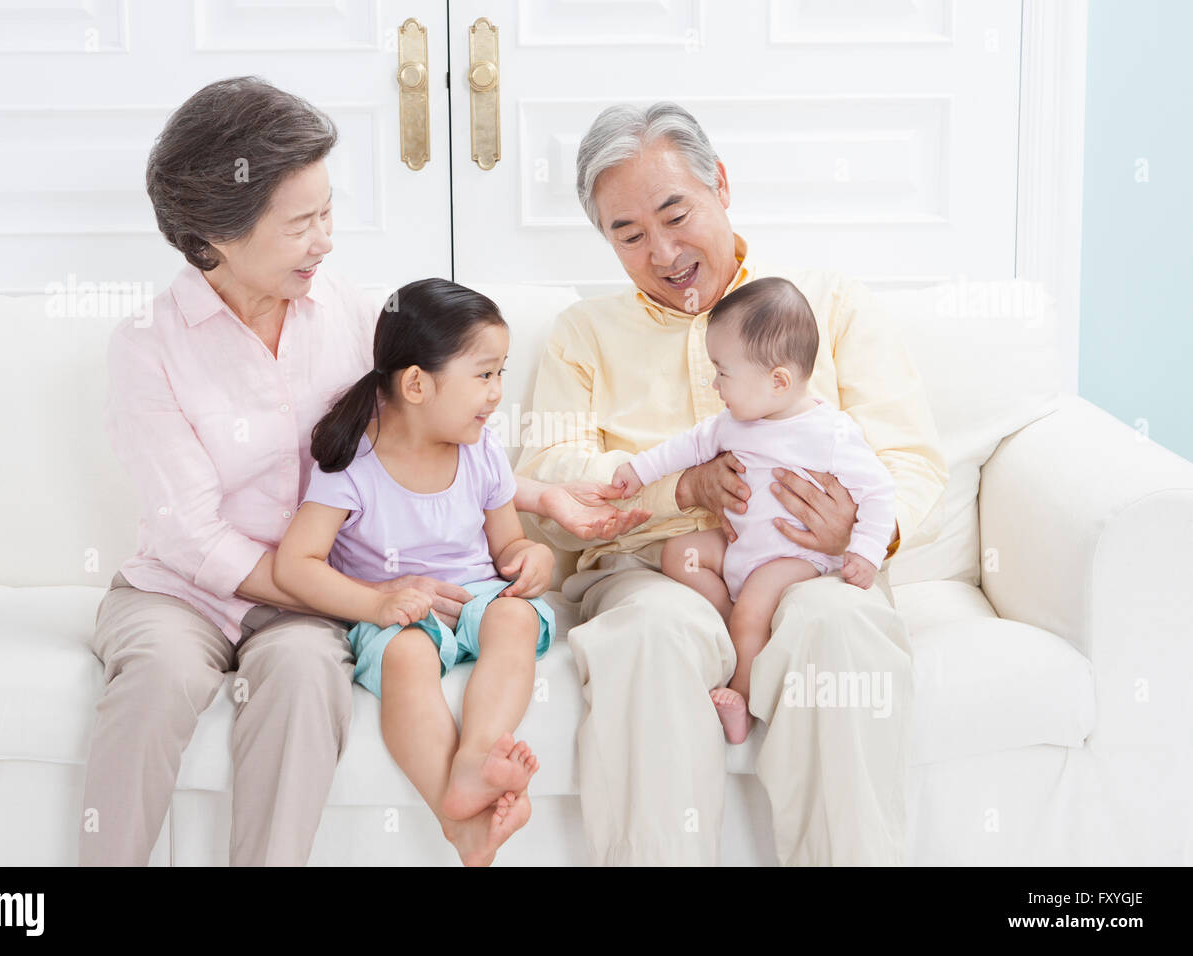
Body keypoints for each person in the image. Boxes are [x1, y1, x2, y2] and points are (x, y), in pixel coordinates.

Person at [83, 76, 644, 866]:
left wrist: (540, 496)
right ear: (219, 234)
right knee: (156, 680)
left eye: (327, 214)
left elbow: (426, 444)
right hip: (184, 592)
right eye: (301, 224)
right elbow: (188, 532)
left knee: (305, 675)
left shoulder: (348, 313)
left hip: (314, 604)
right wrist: (356, 594)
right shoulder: (148, 346)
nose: (326, 240)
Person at [515, 101, 948, 866]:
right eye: (630, 234)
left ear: (720, 183)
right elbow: (549, 475)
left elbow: (910, 458)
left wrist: (856, 532)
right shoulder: (582, 336)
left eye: (676, 214)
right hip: (653, 569)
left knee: (840, 628)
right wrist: (677, 491)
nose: (665, 251)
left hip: (808, 563)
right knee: (651, 635)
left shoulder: (825, 303)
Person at [273, 279, 555, 867]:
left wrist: (534, 559)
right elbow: (294, 564)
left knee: (516, 618)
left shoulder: (480, 449)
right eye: (484, 374)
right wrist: (376, 605)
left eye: (502, 373)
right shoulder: (353, 461)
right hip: (397, 613)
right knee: (405, 656)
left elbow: (509, 547)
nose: (497, 393)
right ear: (417, 383)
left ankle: (475, 759)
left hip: (477, 597)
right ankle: (456, 820)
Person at [611, 277, 895, 744]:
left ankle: (739, 697)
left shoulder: (828, 433)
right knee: (679, 554)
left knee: (755, 607)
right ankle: (726, 609)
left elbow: (880, 490)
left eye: (723, 372)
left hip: (791, 557)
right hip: (738, 547)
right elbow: (686, 447)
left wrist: (865, 551)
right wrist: (637, 472)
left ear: (777, 381)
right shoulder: (732, 422)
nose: (713, 383)